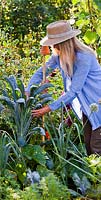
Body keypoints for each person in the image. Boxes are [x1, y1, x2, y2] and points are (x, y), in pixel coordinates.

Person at [25, 20, 101, 156]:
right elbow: (41, 72)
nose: (53, 46)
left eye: (55, 43)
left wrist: (48, 108)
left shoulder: (84, 58)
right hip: (87, 109)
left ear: (64, 43)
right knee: (89, 148)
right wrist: (28, 89)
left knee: (96, 148)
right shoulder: (60, 56)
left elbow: (74, 91)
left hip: (98, 105)